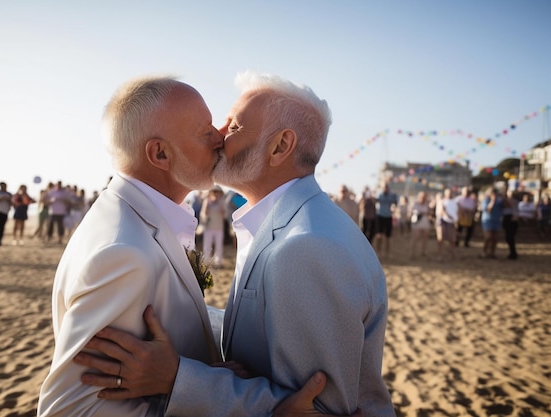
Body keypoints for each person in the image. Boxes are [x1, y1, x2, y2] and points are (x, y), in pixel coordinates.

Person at [75, 72, 394, 416]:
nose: (218, 136)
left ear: (280, 147)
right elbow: (265, 327)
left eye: (235, 127)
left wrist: (177, 378)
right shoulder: (283, 224)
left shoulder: (306, 247)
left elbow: (314, 408)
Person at [37, 76, 325, 417]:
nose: (220, 136)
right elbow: (68, 410)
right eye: (205, 132)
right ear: (160, 153)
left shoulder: (138, 218)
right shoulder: (124, 255)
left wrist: (196, 377)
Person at [200, 185, 226, 268]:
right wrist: (206, 210)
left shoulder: (222, 202)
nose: (215, 193)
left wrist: (222, 212)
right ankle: (206, 262)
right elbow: (203, 214)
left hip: (219, 227)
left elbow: (225, 215)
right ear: (210, 192)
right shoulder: (206, 201)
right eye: (214, 191)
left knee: (219, 246)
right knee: (207, 245)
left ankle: (218, 262)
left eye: (217, 192)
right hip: (208, 227)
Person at [373, 183, 397, 257]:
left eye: (386, 187)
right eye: (384, 187)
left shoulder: (392, 195)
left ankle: (387, 253)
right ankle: (378, 251)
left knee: (387, 236)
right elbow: (374, 201)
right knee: (378, 235)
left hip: (388, 216)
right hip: (380, 216)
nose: (385, 189)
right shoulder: (378, 194)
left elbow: (395, 203)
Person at [480, 188, 503, 259]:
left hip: (496, 221)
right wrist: (492, 201)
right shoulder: (486, 201)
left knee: (495, 238)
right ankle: (484, 252)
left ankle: (492, 253)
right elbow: (488, 210)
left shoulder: (499, 201)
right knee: (488, 237)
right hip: (488, 221)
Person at [409, 191, 432, 258]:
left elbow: (429, 212)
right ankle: (412, 253)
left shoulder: (426, 204)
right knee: (414, 238)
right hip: (416, 221)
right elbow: (412, 211)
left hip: (424, 222)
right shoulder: (415, 203)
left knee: (425, 238)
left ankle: (423, 252)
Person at [502, 189, 519, 260]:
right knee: (508, 237)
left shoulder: (514, 201)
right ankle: (513, 252)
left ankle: (513, 253)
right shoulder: (504, 201)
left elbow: (515, 209)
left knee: (510, 237)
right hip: (506, 218)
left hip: (511, 219)